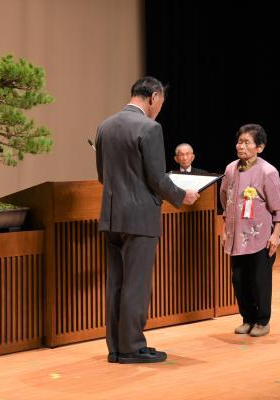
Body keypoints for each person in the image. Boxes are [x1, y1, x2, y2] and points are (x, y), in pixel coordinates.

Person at [95, 77, 200, 364]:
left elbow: (102, 176)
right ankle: (131, 347)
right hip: (140, 217)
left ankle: (116, 348)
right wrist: (181, 196)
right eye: (161, 103)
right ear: (153, 96)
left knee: (116, 282)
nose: (159, 110)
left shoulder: (104, 126)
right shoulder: (150, 128)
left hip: (112, 216)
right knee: (137, 284)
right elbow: (157, 178)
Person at [220, 124, 280, 337]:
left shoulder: (268, 171)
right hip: (236, 236)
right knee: (238, 279)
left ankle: (262, 320)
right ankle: (247, 318)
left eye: (247, 142)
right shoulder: (230, 169)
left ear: (260, 147)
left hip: (260, 237)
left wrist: (276, 234)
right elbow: (225, 200)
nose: (241, 146)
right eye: (239, 141)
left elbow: (278, 206)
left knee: (260, 280)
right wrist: (224, 228)